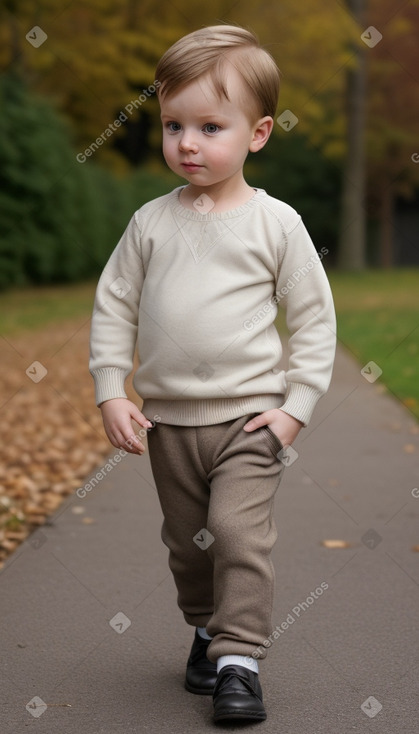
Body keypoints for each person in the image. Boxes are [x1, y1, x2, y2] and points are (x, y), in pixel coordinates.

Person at [89, 24, 336, 724]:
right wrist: (112, 387)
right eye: (172, 125)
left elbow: (315, 320)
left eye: (208, 126)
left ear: (257, 134)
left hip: (252, 419)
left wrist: (295, 405)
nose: (186, 143)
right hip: (170, 423)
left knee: (236, 533)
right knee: (190, 545)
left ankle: (239, 660)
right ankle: (204, 628)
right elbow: (113, 306)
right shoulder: (148, 225)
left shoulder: (276, 225)